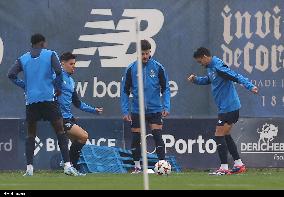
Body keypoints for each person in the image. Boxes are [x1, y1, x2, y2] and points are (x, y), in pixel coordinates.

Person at [7, 33, 78, 176]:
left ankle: (29, 169)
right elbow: (58, 71)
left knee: (31, 135)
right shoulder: (50, 54)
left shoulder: (23, 58)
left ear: (32, 44)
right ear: (43, 43)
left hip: (31, 101)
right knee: (60, 131)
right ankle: (67, 166)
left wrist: (24, 86)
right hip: (48, 100)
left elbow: (11, 74)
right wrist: (57, 87)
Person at [187, 47, 258, 175]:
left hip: (229, 107)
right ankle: (239, 165)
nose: (200, 64)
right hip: (226, 107)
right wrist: (196, 80)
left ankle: (224, 168)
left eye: (200, 61)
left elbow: (235, 76)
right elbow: (209, 80)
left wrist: (250, 85)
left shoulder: (218, 66)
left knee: (218, 135)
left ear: (204, 57)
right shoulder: (211, 68)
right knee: (225, 135)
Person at [121, 39, 171, 173]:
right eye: (142, 54)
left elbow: (165, 88)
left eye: (147, 53)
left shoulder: (158, 67)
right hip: (137, 110)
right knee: (136, 138)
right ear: (138, 53)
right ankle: (137, 167)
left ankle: (162, 165)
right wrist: (125, 110)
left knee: (157, 136)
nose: (145, 56)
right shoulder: (131, 69)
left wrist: (166, 106)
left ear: (150, 52)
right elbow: (125, 91)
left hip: (155, 109)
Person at [58, 52, 103, 171]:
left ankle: (69, 164)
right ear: (62, 64)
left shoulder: (71, 81)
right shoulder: (57, 77)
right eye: (71, 64)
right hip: (60, 118)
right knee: (83, 136)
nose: (74, 66)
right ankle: (70, 165)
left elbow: (77, 103)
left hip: (68, 117)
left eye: (74, 64)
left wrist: (94, 110)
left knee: (77, 140)